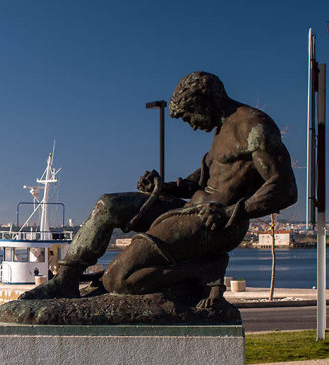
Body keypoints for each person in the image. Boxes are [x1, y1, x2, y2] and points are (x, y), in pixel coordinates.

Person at [22, 71, 297, 307]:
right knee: (108, 205)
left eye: (190, 117)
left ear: (205, 102)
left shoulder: (254, 126)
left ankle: (203, 269)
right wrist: (164, 186)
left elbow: (284, 188)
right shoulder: (221, 129)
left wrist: (232, 212)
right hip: (190, 210)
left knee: (119, 279)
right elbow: (203, 182)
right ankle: (66, 281)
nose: (191, 125)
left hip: (215, 224)